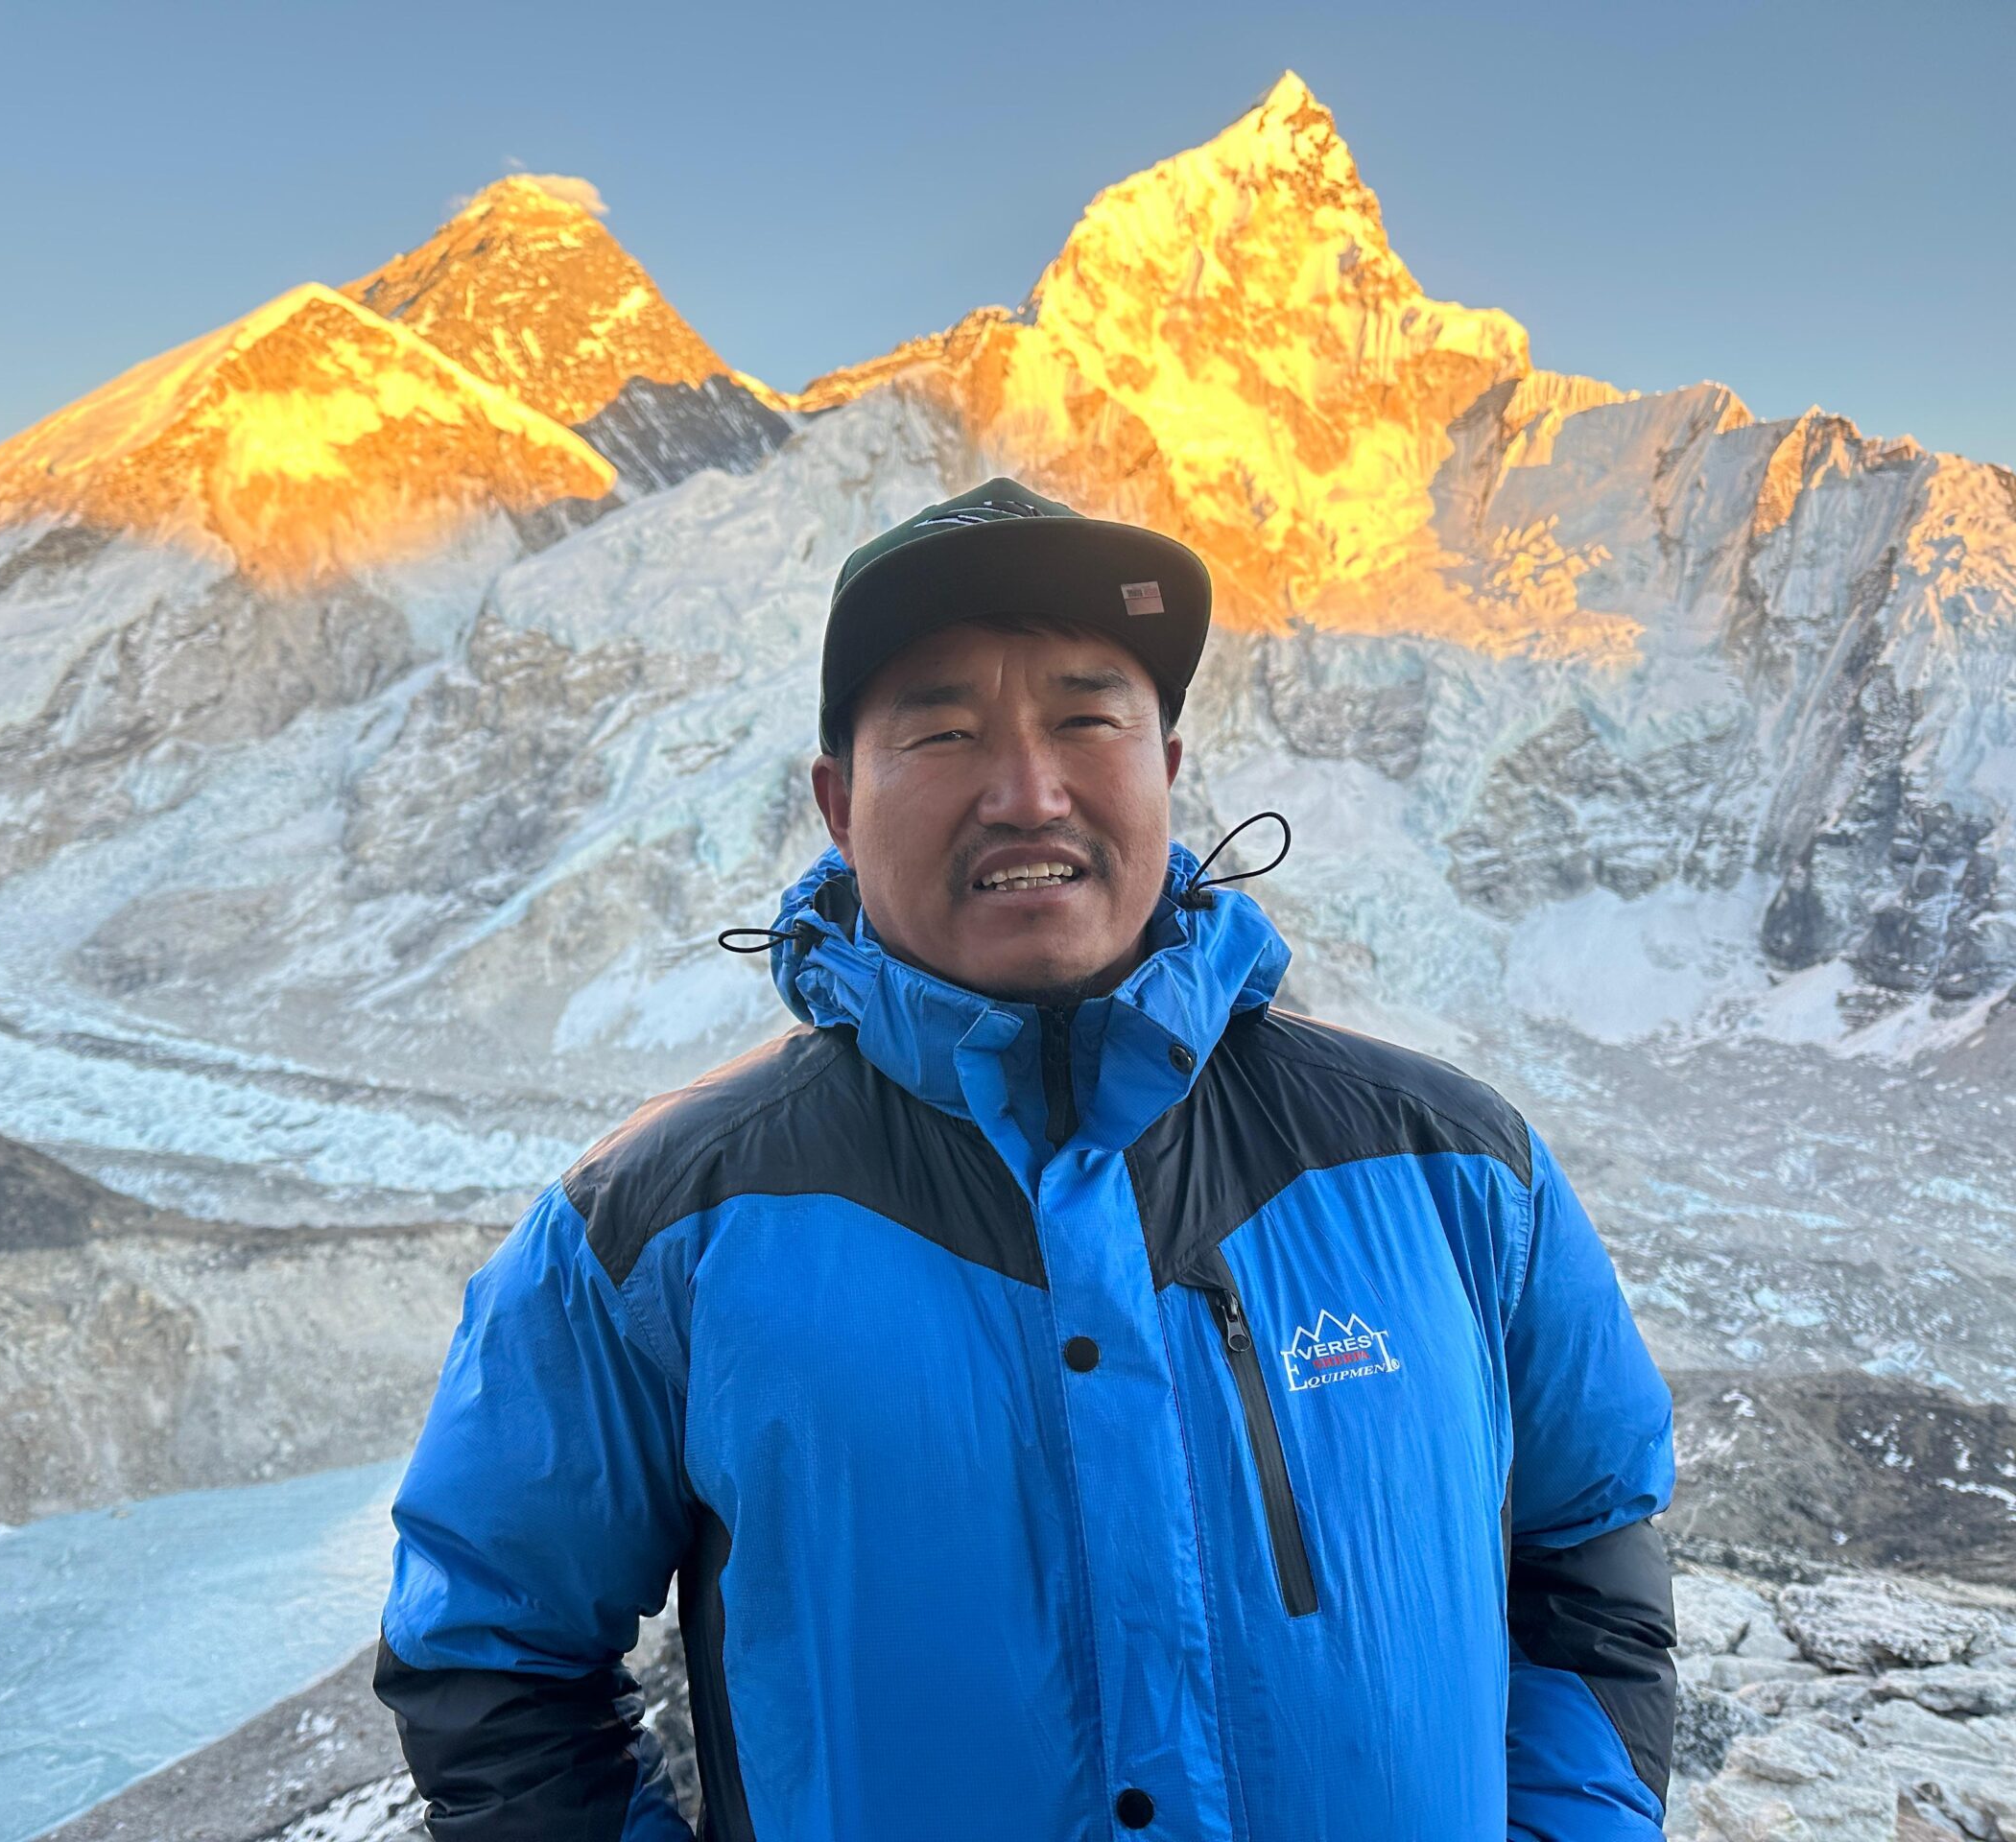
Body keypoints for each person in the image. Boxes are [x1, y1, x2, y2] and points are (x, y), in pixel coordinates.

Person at [370, 477, 1678, 1839]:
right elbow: (491, 1663)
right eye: (943, 731)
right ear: (837, 802)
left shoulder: (1458, 1174)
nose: (1028, 792)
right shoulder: (653, 1233)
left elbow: (1592, 1568)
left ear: (1168, 765)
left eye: (1086, 718)